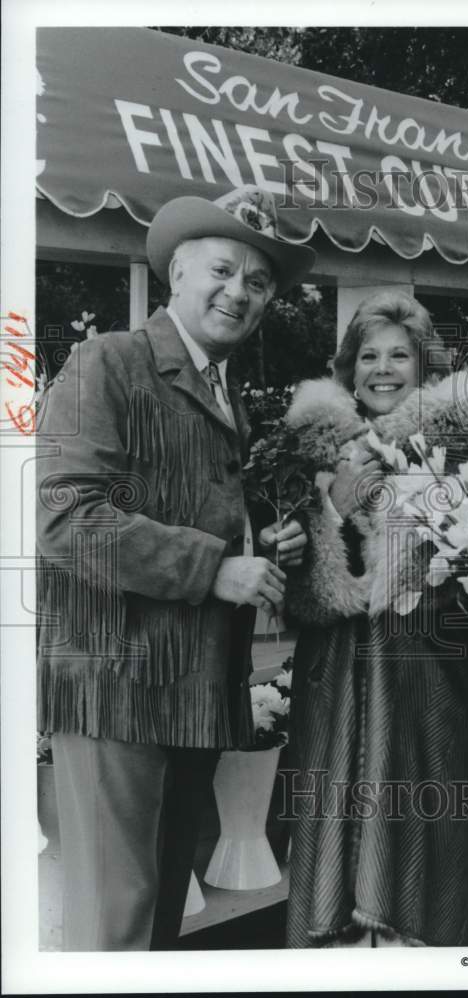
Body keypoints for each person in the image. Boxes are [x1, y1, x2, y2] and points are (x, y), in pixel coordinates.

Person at [36, 185, 315, 950]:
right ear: (178, 275)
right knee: (116, 921)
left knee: (157, 917)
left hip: (190, 690)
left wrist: (261, 540)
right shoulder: (108, 362)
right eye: (224, 271)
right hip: (114, 687)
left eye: (259, 284)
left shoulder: (224, 392)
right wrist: (214, 568)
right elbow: (63, 516)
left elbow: (186, 505)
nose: (241, 293)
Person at [282, 290, 468, 947]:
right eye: (368, 355)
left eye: (399, 355)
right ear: (349, 369)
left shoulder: (461, 449)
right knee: (333, 839)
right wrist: (337, 512)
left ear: (423, 367)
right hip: (338, 686)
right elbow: (302, 597)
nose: (382, 368)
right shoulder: (316, 452)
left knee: (427, 844)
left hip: (431, 684)